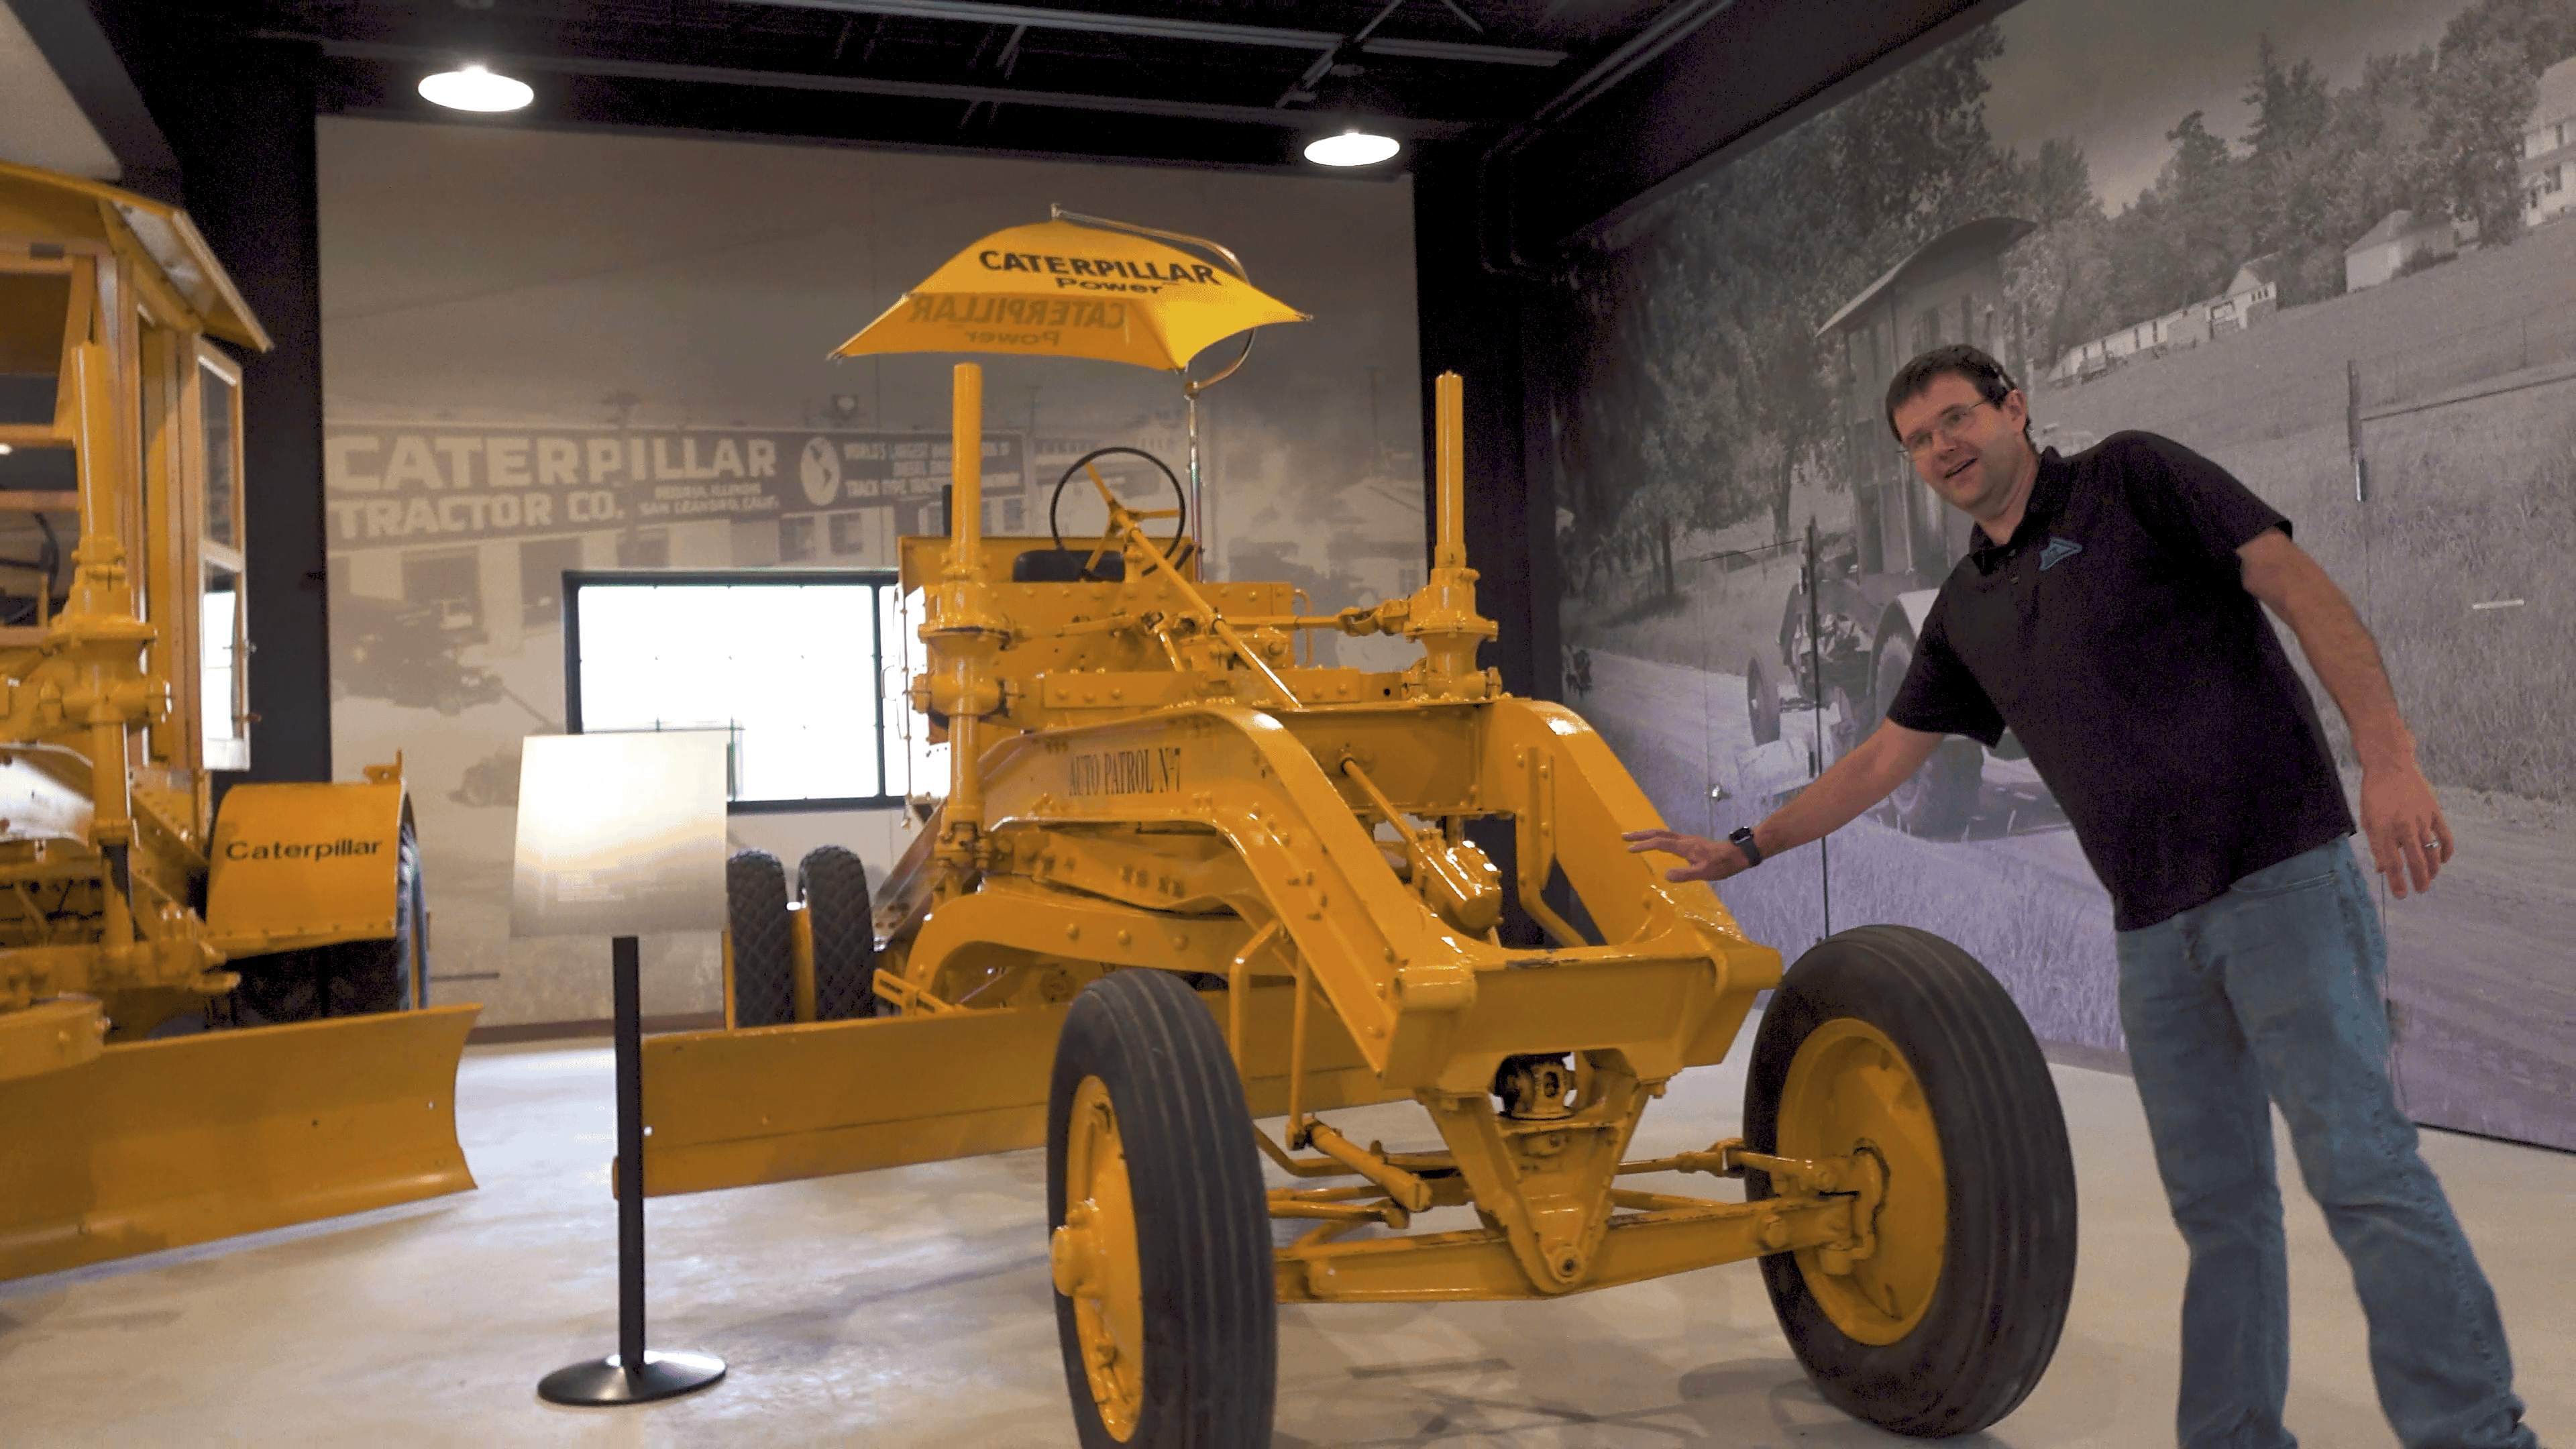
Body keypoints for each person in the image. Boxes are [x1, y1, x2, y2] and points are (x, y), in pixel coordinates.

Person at [1623, 344, 2538, 1449]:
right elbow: (1881, 761)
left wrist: (2388, 757)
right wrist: (1747, 846)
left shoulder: (2134, 479)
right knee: (2221, 1213)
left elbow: (2298, 587)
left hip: (2279, 880)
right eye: (1917, 439)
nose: (1942, 449)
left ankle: (2478, 1436)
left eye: (1958, 419)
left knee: (2364, 1174)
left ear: (2017, 409)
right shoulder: (1967, 604)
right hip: (2152, 932)